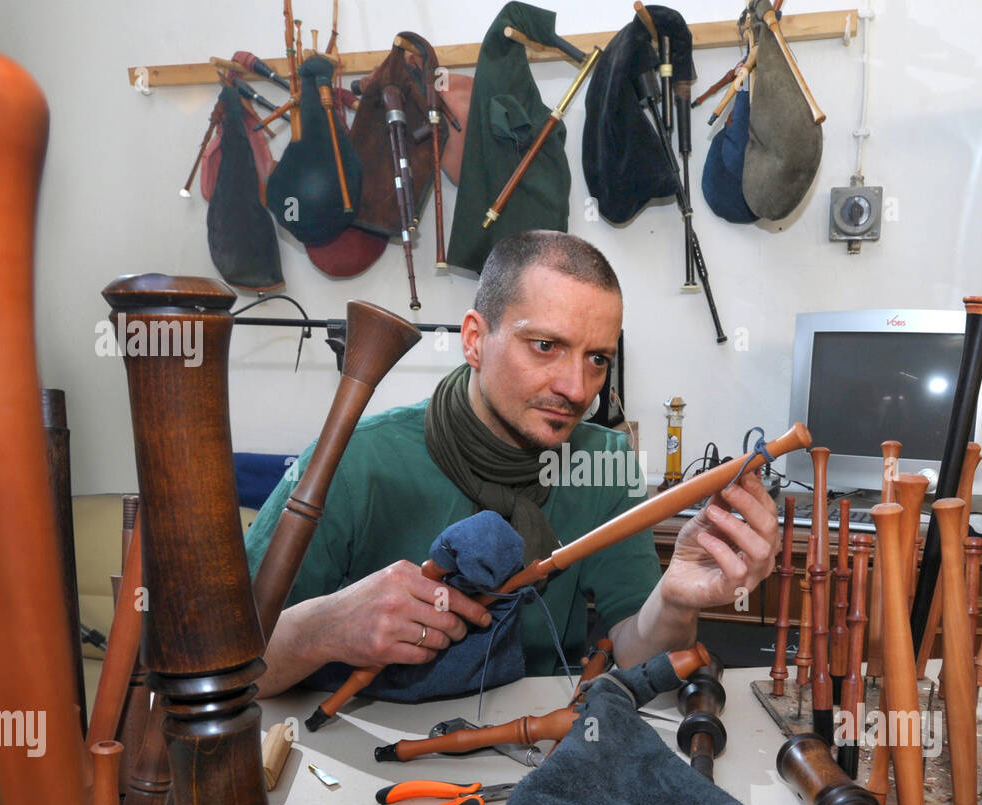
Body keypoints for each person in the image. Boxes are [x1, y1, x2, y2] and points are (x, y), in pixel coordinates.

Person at [246, 230, 778, 698]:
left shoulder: (605, 461)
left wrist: (678, 600)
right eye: (545, 345)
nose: (576, 389)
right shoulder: (356, 458)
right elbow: (212, 667)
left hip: (540, 749)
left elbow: (640, 655)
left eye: (598, 359)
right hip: (357, 748)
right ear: (475, 340)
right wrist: (322, 628)